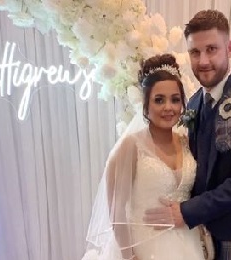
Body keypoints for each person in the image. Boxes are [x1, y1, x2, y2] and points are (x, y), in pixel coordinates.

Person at [144, 10, 231, 260]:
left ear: (229, 48)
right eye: (195, 52)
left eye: (212, 49)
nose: (203, 61)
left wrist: (187, 212)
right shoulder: (193, 104)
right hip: (195, 239)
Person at [81, 54, 206, 260]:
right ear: (146, 105)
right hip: (146, 248)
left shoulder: (186, 142)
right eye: (159, 100)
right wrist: (130, 256)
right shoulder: (131, 146)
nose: (168, 107)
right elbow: (117, 210)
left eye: (175, 99)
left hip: (188, 246)